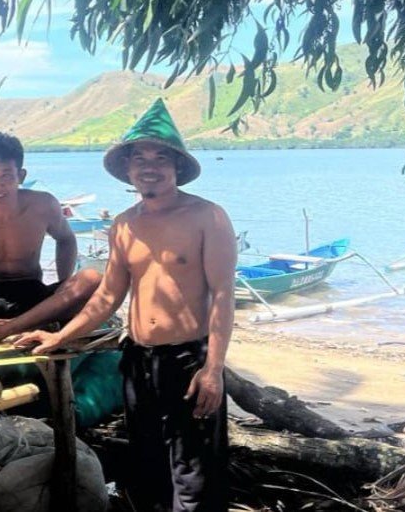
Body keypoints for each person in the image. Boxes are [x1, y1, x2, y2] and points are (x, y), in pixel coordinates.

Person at [13, 99, 237, 512]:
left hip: (189, 360)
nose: (149, 166)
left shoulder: (208, 217)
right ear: (129, 169)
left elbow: (224, 295)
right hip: (138, 360)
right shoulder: (124, 224)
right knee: (147, 468)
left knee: (195, 477)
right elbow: (107, 296)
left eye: (160, 157)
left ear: (176, 166)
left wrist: (213, 369)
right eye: (139, 157)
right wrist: (60, 335)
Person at [0, 130, 102, 348]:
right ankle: (25, 325)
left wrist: (63, 287)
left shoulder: (43, 205)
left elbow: (66, 239)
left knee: (93, 278)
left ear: (21, 176)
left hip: (36, 297)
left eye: (6, 175)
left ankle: (1, 330)